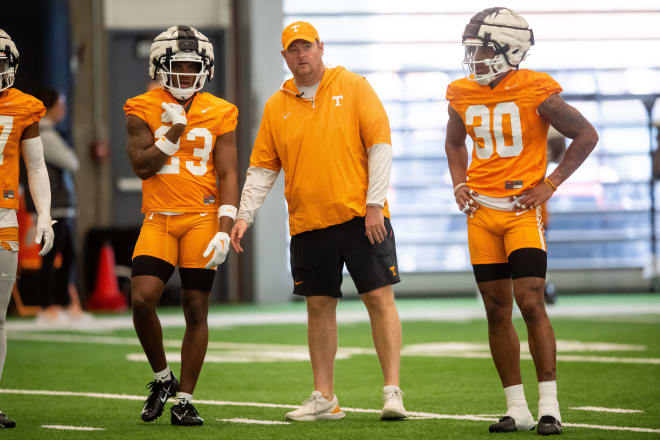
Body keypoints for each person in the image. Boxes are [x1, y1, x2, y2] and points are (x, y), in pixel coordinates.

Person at [230, 21, 406, 421]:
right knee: (318, 306)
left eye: (306, 46)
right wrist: (244, 216)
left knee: (379, 298)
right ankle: (325, 398)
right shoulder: (277, 105)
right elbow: (261, 168)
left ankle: (392, 392)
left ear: (320, 47)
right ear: (284, 56)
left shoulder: (354, 85)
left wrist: (374, 204)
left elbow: (380, 146)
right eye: (293, 49)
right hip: (309, 223)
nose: (301, 55)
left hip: (361, 218)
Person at [444, 8, 598, 435]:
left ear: (510, 50)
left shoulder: (535, 89)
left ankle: (549, 405)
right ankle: (517, 407)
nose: (473, 59)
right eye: (471, 50)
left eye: (481, 49)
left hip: (521, 211)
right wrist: (460, 184)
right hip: (481, 214)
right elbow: (454, 143)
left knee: (530, 301)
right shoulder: (461, 92)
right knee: (496, 310)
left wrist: (551, 183)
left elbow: (586, 135)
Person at [124, 25, 239, 426]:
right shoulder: (140, 106)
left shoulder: (221, 110)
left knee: (195, 306)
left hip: (203, 217)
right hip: (159, 216)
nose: (187, 74)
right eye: (179, 65)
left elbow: (227, 173)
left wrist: (226, 225)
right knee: (142, 298)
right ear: (160, 65)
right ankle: (161, 378)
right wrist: (173, 132)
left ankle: (185, 398)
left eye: (194, 66)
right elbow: (141, 166)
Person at [0, 29, 55, 428]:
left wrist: (45, 213)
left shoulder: (24, 107)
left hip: (2, 216)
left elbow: (36, 166)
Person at [26, 87, 86, 324]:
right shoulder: (45, 134)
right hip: (53, 207)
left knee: (68, 256)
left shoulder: (50, 133)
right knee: (51, 257)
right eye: (61, 104)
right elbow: (71, 161)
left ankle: (62, 303)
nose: (64, 109)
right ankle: (47, 306)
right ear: (49, 107)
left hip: (61, 205)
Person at [541, 127, 566, 305]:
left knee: (533, 257)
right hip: (499, 201)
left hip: (534, 206)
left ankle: (543, 285)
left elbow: (560, 148)